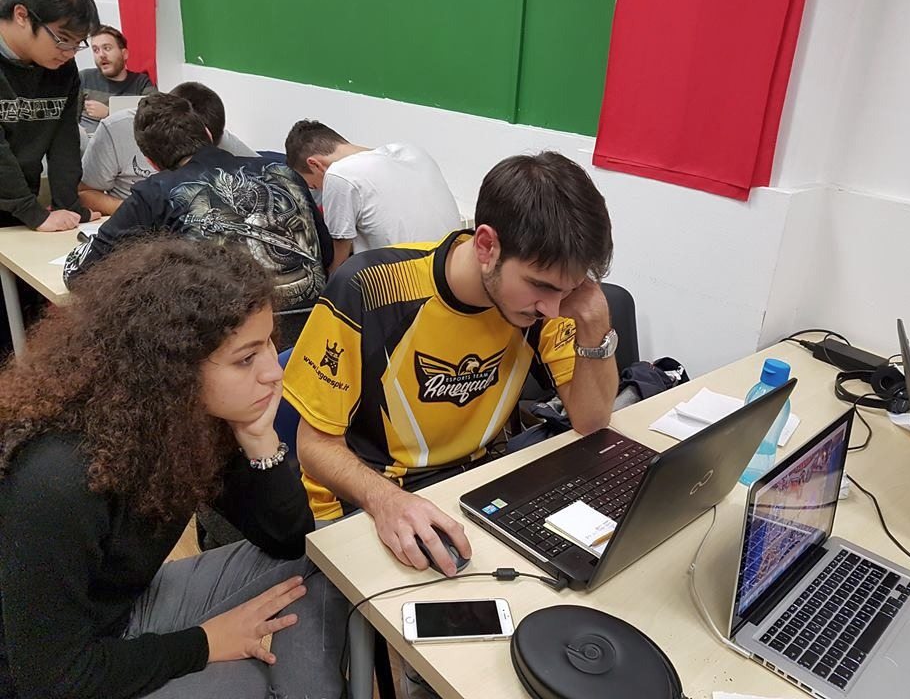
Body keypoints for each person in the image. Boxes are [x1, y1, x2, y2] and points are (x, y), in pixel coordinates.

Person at [0, 237, 346, 698]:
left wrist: (260, 440)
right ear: (173, 369)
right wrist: (204, 644)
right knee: (249, 681)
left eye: (268, 343)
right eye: (246, 358)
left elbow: (289, 541)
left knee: (331, 556)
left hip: (123, 611)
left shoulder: (187, 423)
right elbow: (52, 680)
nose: (273, 371)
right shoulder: (58, 477)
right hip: (50, 671)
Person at [283, 151, 618, 577]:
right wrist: (386, 500)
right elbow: (313, 446)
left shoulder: (546, 306)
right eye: (541, 286)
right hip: (370, 494)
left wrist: (595, 323)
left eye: (567, 290)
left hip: (476, 484)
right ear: (486, 245)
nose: (552, 309)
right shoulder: (368, 287)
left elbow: (591, 421)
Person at [65, 92, 334, 348]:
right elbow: (326, 254)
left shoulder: (157, 191)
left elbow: (81, 273)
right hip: (312, 336)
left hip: (230, 346)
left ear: (151, 162)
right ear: (207, 133)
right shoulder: (284, 172)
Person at [285, 120, 461, 272]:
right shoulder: (413, 152)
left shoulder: (339, 174)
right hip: (451, 267)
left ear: (315, 164)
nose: (320, 191)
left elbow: (339, 257)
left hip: (406, 283)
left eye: (314, 186)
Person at [0, 0, 99, 231]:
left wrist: (70, 207)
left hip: (18, 212)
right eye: (63, 39)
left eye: (78, 44)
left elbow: (65, 139)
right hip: (22, 207)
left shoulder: (62, 68)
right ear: (21, 15)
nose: (69, 52)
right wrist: (34, 214)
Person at [78, 80, 258, 216]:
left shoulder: (220, 138)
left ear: (210, 136)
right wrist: (140, 210)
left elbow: (265, 178)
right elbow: (84, 193)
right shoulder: (117, 129)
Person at [78, 24, 155, 134]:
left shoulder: (141, 82)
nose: (101, 55)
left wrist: (110, 113)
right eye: (96, 50)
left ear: (124, 54)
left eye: (107, 48)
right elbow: (69, 120)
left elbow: (155, 115)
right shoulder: (84, 78)